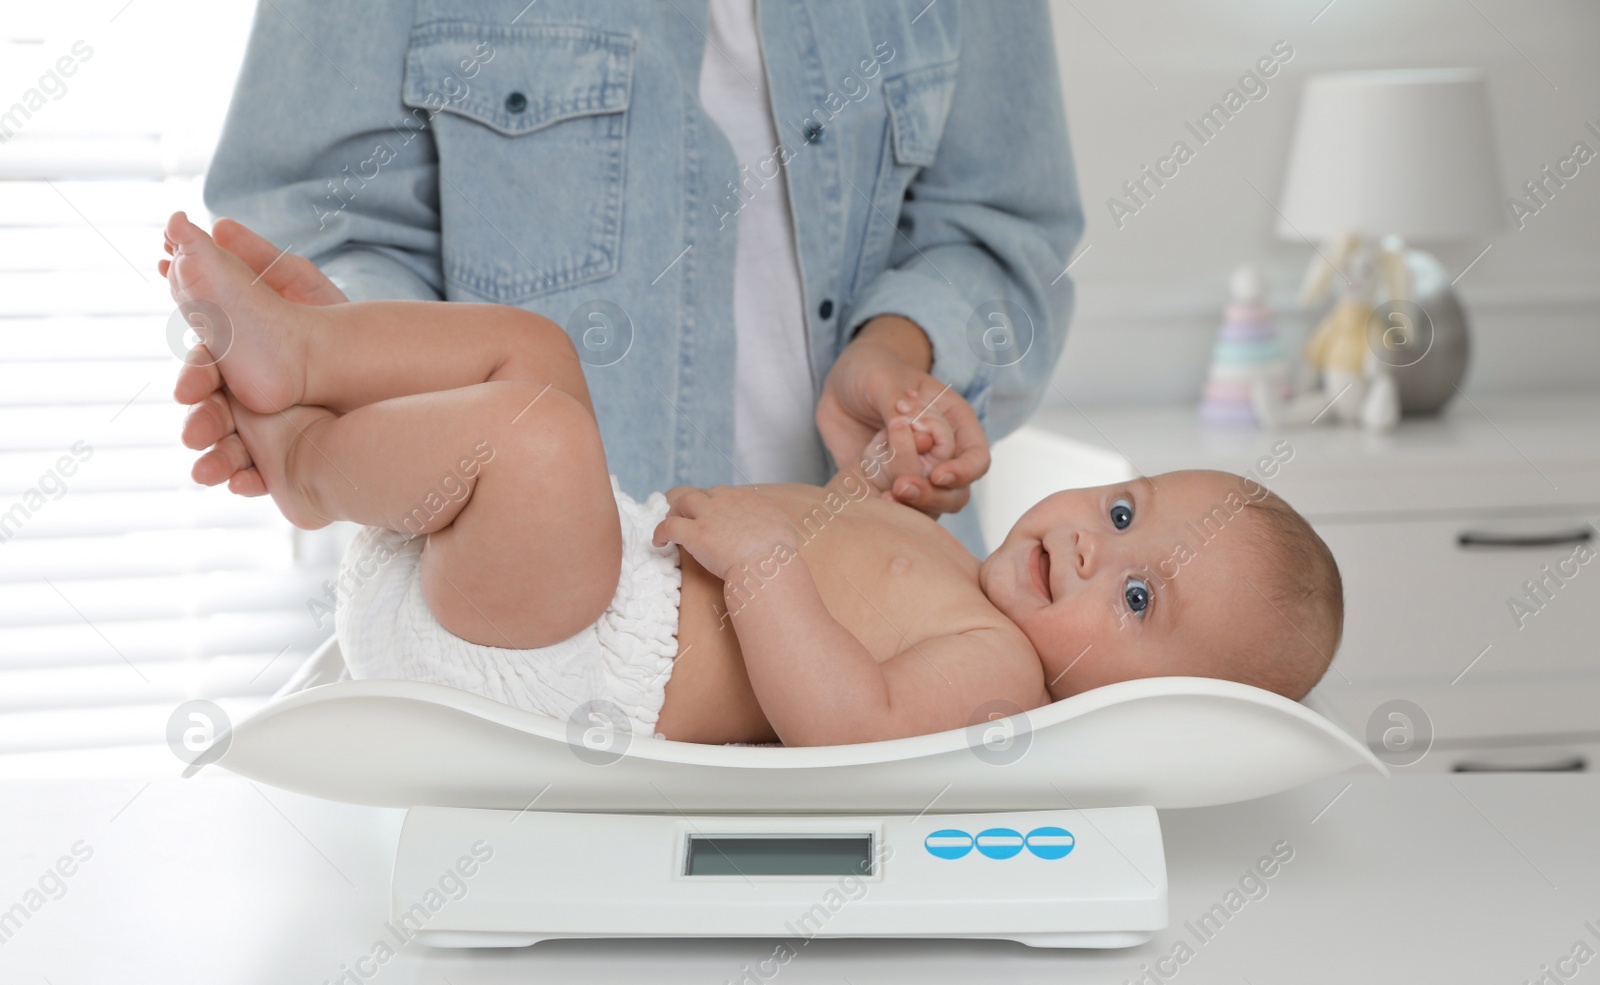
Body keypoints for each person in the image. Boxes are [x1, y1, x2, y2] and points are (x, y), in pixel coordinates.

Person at [163, 212, 1344, 746]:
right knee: (540, 359)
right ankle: (318, 360)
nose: (1096, 545)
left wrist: (775, 570)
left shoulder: (996, 684)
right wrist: (875, 472)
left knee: (535, 432)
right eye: (1126, 512)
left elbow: (847, 718)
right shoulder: (957, 574)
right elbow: (843, 554)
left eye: (1138, 598)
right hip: (571, 576)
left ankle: (312, 461)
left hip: (565, 666)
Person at [198, 0, 1085, 558]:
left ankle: (313, 437)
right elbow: (326, 217)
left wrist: (898, 352)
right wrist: (356, 357)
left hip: (873, 586)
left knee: (527, 395)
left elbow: (999, 229)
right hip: (524, 595)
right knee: (525, 404)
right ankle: (319, 414)